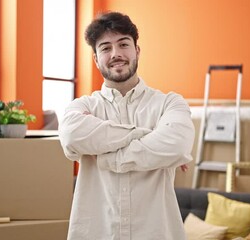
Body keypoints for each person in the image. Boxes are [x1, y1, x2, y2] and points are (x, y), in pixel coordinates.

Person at [58, 11, 195, 240]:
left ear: (137, 50)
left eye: (123, 44)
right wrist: (146, 135)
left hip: (156, 233)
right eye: (105, 48)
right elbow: (71, 137)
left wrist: (107, 157)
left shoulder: (170, 103)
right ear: (96, 58)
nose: (116, 54)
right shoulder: (82, 107)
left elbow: (177, 145)